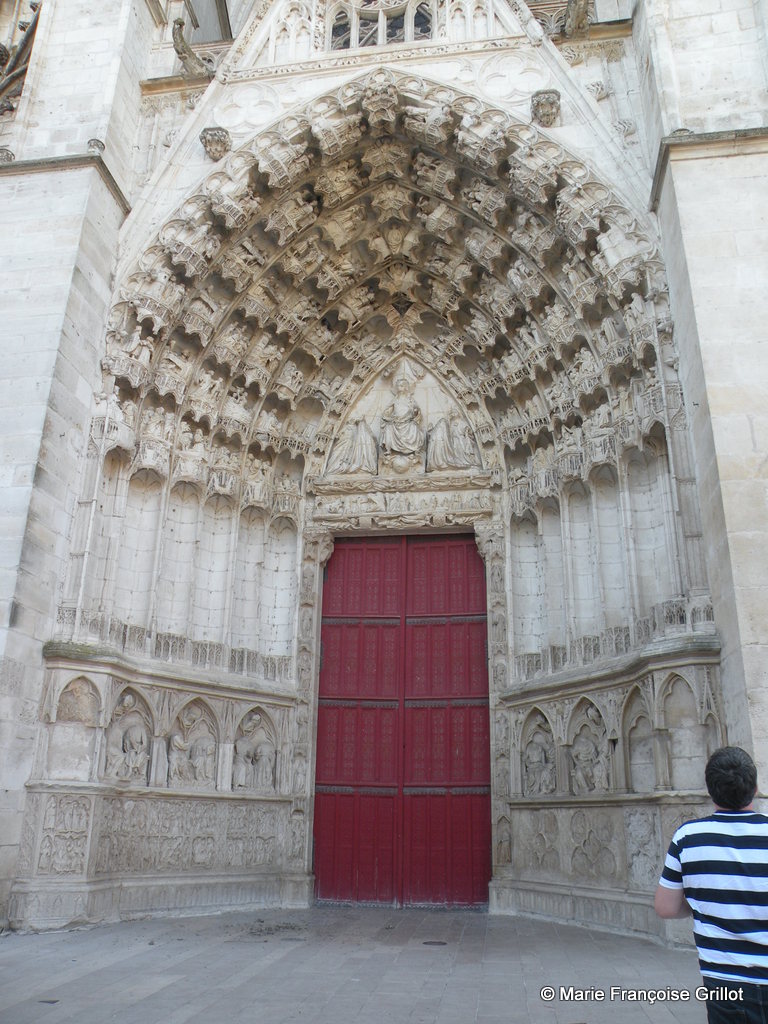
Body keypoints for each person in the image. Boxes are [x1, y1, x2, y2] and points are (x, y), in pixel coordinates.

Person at [655, 746, 768, 1022]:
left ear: (711, 790)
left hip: (725, 982)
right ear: (754, 787)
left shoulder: (688, 837)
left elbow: (666, 908)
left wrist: (701, 904)